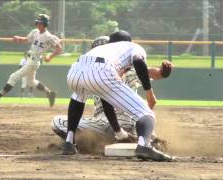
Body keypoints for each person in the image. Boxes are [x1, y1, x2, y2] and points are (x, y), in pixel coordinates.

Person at [62, 31, 173, 161]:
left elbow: (148, 71)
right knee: (146, 113)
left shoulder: (101, 49)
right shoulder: (132, 47)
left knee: (78, 96)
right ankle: (144, 146)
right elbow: (138, 61)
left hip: (75, 70)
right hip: (103, 72)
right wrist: (149, 92)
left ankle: (69, 142)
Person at [0, 14, 62, 107]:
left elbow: (59, 48)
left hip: (34, 61)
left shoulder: (49, 36)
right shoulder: (35, 32)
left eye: (40, 23)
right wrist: (19, 38)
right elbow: (27, 39)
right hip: (30, 59)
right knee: (31, 82)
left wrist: (50, 56)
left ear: (45, 24)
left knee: (14, 77)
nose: (38, 24)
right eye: (37, 22)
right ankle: (50, 93)